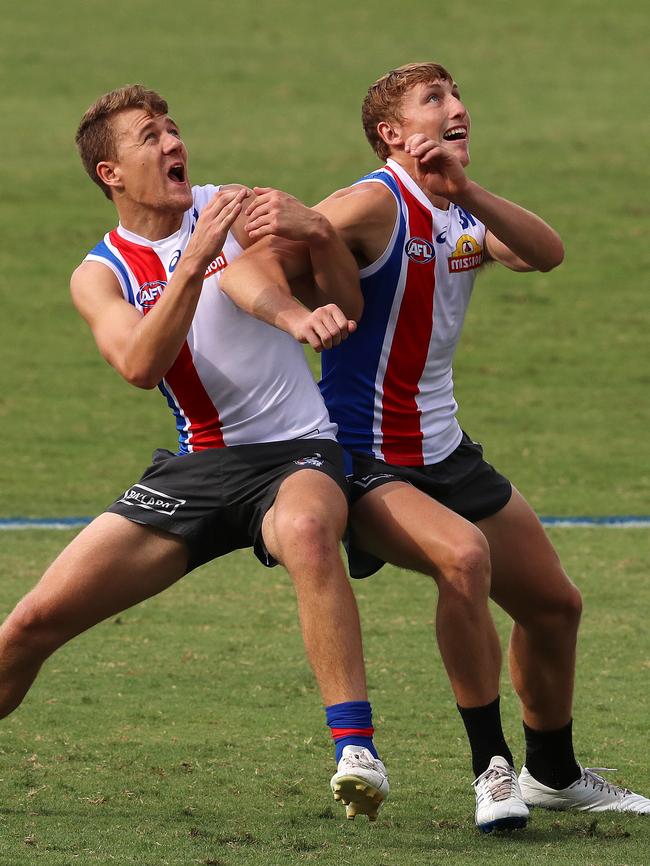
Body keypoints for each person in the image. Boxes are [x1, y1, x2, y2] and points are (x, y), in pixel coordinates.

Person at [221, 63, 650, 832]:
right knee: (463, 559)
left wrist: (468, 193)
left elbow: (544, 253)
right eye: (434, 101)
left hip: (445, 450)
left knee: (555, 607)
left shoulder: (452, 211)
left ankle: (551, 773)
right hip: (363, 458)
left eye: (457, 97)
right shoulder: (371, 203)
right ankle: (491, 770)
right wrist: (294, 318)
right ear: (392, 133)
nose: (458, 109)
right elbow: (243, 270)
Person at [0, 84, 389, 822]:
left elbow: (272, 284)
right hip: (196, 471)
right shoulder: (100, 273)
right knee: (26, 628)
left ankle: (355, 750)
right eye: (150, 136)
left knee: (308, 532)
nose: (174, 143)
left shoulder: (232, 207)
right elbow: (141, 365)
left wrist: (306, 295)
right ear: (110, 173)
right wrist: (192, 260)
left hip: (295, 453)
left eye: (174, 129)